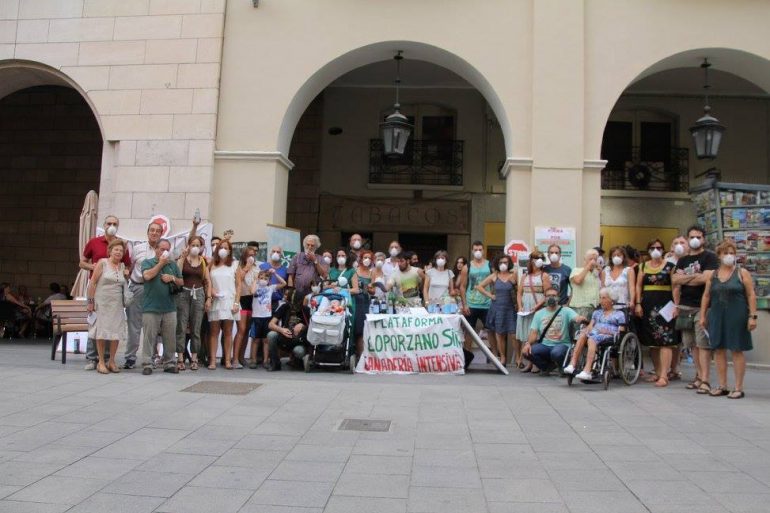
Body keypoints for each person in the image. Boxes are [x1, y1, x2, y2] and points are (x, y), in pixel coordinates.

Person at [699, 240, 757, 399]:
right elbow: (706, 296)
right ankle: (722, 385)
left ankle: (738, 387)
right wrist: (703, 316)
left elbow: (751, 294)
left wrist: (753, 316)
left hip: (737, 315)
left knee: (737, 349)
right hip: (717, 315)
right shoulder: (713, 274)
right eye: (726, 253)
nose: (729, 256)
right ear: (719, 255)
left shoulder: (741, 272)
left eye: (732, 253)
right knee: (718, 349)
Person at [79, 215, 131, 369]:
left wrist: (126, 271)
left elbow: (127, 265)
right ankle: (92, 359)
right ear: (104, 225)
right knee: (97, 325)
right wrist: (95, 268)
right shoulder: (94, 242)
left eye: (115, 223)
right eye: (109, 223)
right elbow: (82, 262)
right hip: (98, 291)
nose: (112, 225)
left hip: (115, 297)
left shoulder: (122, 244)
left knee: (113, 329)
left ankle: (110, 360)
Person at [673, 225, 719, 394]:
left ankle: (706, 380)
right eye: (692, 236)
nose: (695, 240)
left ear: (703, 239)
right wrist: (693, 278)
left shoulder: (710, 257)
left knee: (703, 344)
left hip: (703, 306)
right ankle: (698, 376)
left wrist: (686, 278)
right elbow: (676, 280)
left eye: (698, 237)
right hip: (685, 306)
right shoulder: (682, 260)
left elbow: (707, 278)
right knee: (691, 345)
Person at [635, 238, 677, 387]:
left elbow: (675, 287)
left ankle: (665, 375)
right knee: (652, 341)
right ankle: (658, 372)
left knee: (665, 339)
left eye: (658, 247)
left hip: (666, 306)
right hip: (648, 305)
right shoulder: (642, 267)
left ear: (663, 249)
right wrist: (638, 304)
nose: (655, 250)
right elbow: (638, 286)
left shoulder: (670, 266)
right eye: (652, 247)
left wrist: (676, 306)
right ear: (648, 250)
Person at [123, 221, 164, 369]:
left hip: (155, 291)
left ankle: (150, 357)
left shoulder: (163, 251)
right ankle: (130, 358)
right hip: (138, 288)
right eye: (151, 230)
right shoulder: (137, 248)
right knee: (134, 325)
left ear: (161, 234)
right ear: (147, 232)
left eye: (157, 231)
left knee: (151, 326)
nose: (154, 233)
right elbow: (130, 267)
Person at [140, 238, 183, 375]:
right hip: (151, 307)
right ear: (156, 249)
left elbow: (181, 282)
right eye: (162, 249)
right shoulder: (147, 262)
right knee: (149, 337)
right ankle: (147, 363)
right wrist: (160, 264)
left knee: (170, 337)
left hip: (169, 307)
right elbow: (147, 276)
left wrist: (173, 278)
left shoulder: (173, 265)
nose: (164, 252)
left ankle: (169, 362)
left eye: (167, 249)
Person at [86, 239, 129, 374]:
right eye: (116, 249)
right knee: (102, 331)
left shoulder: (122, 267)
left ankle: (112, 360)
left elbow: (123, 284)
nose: (118, 252)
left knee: (115, 332)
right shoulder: (102, 263)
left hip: (116, 304)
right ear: (110, 251)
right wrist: (90, 302)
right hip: (102, 302)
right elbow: (93, 283)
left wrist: (127, 276)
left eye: (121, 250)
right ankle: (101, 362)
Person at [563, 288, 623, 380]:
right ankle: (572, 364)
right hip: (595, 333)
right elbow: (591, 326)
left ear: (611, 300)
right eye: (600, 298)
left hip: (609, 336)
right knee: (582, 335)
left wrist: (608, 331)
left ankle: (587, 370)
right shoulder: (597, 313)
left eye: (604, 298)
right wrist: (586, 330)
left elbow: (622, 330)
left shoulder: (619, 314)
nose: (601, 301)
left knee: (592, 339)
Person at [523, 287, 584, 375]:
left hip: (562, 344)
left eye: (554, 295)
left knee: (556, 353)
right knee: (527, 352)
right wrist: (527, 344)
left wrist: (580, 319)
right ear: (544, 298)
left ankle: (562, 367)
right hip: (545, 345)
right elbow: (534, 333)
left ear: (558, 298)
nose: (551, 298)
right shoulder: (539, 314)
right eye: (548, 296)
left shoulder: (566, 310)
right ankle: (547, 367)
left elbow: (576, 317)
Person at [174, 236, 209, 371]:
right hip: (183, 293)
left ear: (201, 247)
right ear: (188, 246)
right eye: (192, 244)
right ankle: (180, 358)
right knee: (181, 326)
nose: (195, 247)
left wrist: (209, 297)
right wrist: (182, 257)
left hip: (198, 293)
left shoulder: (203, 261)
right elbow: (178, 273)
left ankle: (194, 358)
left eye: (197, 245)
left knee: (196, 327)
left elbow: (206, 280)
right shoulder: (183, 259)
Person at [475, 254, 516, 365]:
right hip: (497, 307)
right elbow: (479, 286)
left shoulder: (513, 275)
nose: (503, 264)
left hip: (510, 308)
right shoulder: (494, 275)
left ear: (509, 264)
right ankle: (502, 357)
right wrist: (490, 295)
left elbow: (519, 289)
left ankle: (518, 358)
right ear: (497, 264)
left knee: (514, 334)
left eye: (505, 262)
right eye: (501, 262)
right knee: (499, 333)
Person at [206, 239, 240, 369]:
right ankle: (213, 361)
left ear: (230, 251)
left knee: (228, 331)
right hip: (216, 301)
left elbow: (238, 284)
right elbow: (206, 281)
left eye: (226, 248)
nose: (223, 250)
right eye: (221, 247)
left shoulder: (235, 264)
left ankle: (227, 360)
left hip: (230, 301)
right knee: (214, 332)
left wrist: (237, 302)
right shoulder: (211, 265)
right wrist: (211, 292)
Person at [516, 250, 551, 371]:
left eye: (540, 258)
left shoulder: (544, 276)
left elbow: (548, 295)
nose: (538, 260)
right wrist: (520, 306)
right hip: (525, 308)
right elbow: (519, 293)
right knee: (526, 334)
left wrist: (536, 307)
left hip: (538, 308)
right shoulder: (525, 276)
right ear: (531, 261)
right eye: (536, 258)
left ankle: (535, 363)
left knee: (536, 335)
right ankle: (529, 362)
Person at [266, 290, 310, 371]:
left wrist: (303, 326)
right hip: (285, 338)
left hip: (299, 341)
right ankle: (275, 363)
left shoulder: (306, 310)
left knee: (299, 351)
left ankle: (297, 361)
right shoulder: (285, 307)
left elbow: (312, 328)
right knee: (271, 335)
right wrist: (281, 329)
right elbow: (271, 324)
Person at [251, 268, 286, 369]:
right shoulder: (256, 286)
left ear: (269, 280)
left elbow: (283, 283)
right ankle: (253, 360)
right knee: (256, 340)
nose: (263, 279)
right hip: (256, 317)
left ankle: (266, 360)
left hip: (266, 317)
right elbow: (252, 291)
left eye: (265, 278)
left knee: (266, 340)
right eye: (261, 277)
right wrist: (255, 280)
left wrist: (275, 274)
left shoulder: (271, 288)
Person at [233, 242, 260, 369]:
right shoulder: (238, 266)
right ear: (244, 256)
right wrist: (247, 266)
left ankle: (242, 357)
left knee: (247, 330)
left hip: (252, 301)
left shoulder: (257, 268)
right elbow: (239, 279)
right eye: (249, 255)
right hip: (242, 299)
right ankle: (234, 359)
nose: (252, 257)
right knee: (241, 330)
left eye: (253, 255)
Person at [461, 241, 492, 335]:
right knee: (469, 332)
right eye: (475, 250)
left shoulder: (490, 265)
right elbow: (462, 287)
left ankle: (493, 350)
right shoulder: (467, 267)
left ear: (483, 250)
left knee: (491, 331)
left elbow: (495, 283)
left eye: (480, 249)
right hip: (471, 304)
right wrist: (465, 304)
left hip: (487, 304)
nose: (478, 251)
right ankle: (468, 350)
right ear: (472, 251)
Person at [351, 250, 374, 358]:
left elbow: (373, 291)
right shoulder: (354, 271)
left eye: (369, 258)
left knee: (361, 329)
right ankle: (351, 353)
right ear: (360, 259)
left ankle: (361, 357)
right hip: (355, 301)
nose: (367, 260)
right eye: (365, 257)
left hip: (365, 302)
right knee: (353, 327)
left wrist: (369, 288)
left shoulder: (371, 273)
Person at [288, 234, 326, 299]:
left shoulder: (320, 259)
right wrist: (290, 290)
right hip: (297, 291)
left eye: (312, 245)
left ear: (316, 247)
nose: (310, 247)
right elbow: (291, 275)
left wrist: (315, 260)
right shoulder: (297, 256)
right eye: (308, 244)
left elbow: (323, 274)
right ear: (304, 245)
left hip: (313, 293)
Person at [569, 248, 601, 319]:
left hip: (595, 308)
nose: (593, 261)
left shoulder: (595, 273)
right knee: (580, 329)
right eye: (590, 259)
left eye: (595, 259)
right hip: (580, 308)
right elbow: (578, 281)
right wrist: (588, 266)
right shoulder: (576, 270)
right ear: (585, 259)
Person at [260, 245, 289, 311]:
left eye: (278, 252)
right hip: (263, 300)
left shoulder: (285, 270)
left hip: (277, 301)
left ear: (281, 255)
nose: (275, 253)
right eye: (273, 251)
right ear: (270, 254)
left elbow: (286, 286)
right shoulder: (262, 266)